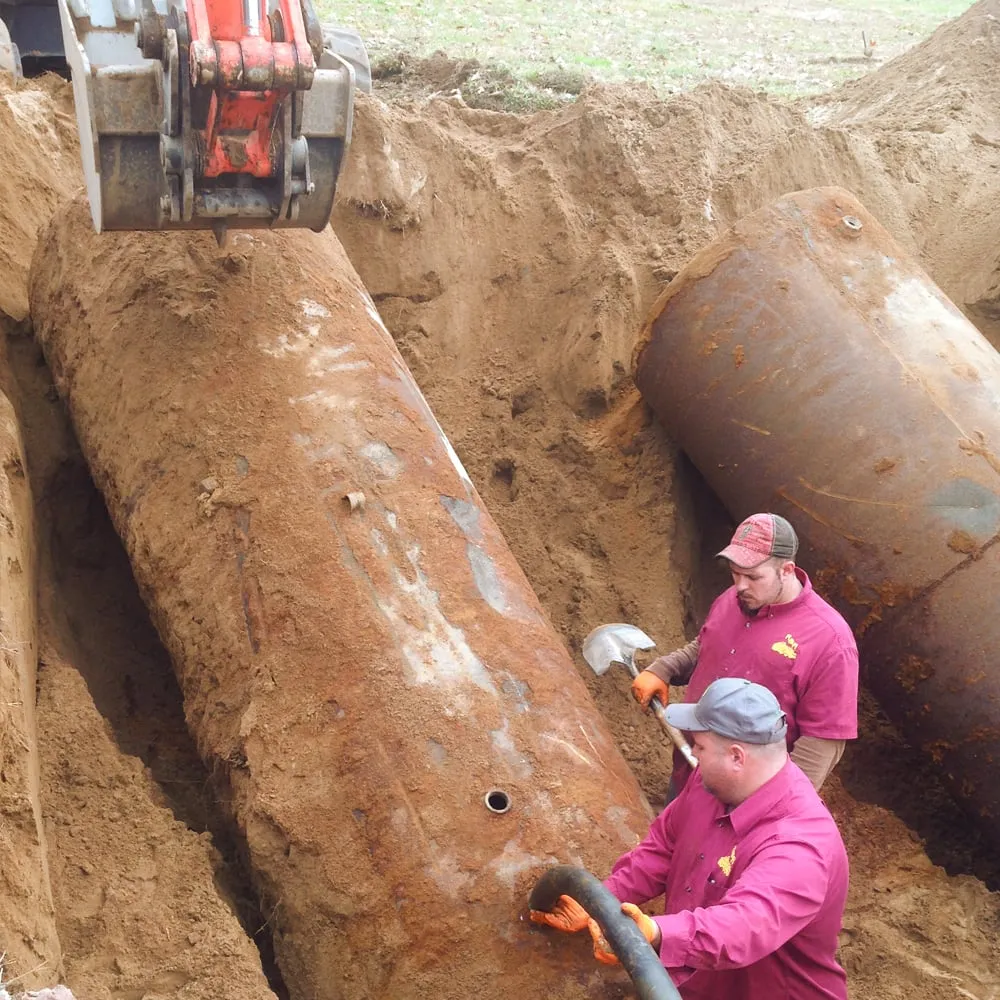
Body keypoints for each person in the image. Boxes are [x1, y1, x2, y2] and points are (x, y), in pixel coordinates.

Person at [530, 678, 849, 1000]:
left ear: (737, 757)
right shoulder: (711, 782)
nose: (692, 752)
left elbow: (741, 927)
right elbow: (663, 848)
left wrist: (654, 933)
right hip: (692, 981)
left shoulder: (801, 846)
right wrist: (603, 901)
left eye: (700, 746)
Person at [633, 512, 858, 796]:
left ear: (787, 570)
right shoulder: (734, 598)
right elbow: (707, 646)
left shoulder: (830, 641)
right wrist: (663, 669)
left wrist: (776, 803)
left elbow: (822, 741)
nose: (740, 585)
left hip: (741, 798)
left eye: (753, 576)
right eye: (735, 573)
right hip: (690, 769)